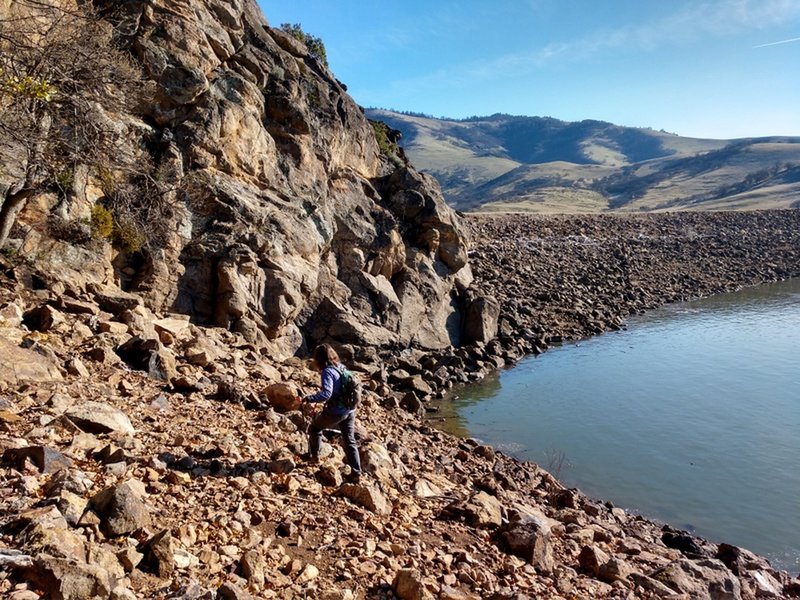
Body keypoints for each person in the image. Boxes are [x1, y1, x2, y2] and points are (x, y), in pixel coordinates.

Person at [302, 344, 362, 481]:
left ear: (319, 359)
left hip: (336, 411)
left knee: (315, 428)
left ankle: (314, 457)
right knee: (349, 440)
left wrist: (309, 398)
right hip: (350, 409)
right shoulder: (341, 367)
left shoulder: (327, 372)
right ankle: (356, 473)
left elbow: (326, 394)